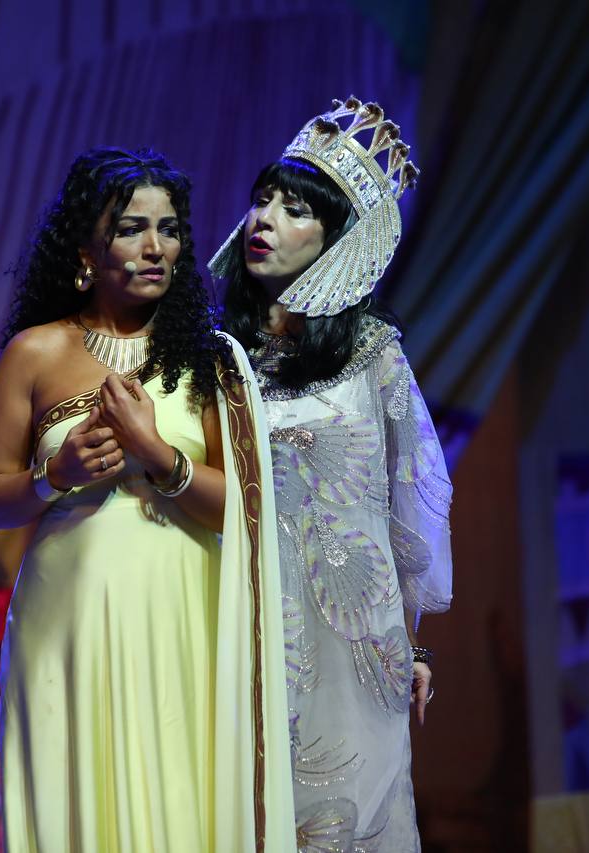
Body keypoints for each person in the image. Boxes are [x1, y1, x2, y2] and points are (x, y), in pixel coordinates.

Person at [0, 148, 294, 852]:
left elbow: (247, 509)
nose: (156, 247)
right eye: (131, 229)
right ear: (86, 252)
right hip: (68, 618)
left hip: (180, 611)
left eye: (169, 229)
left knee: (177, 797)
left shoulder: (212, 360)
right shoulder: (34, 354)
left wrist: (159, 456)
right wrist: (54, 475)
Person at [212, 98, 453, 851]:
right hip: (248, 622)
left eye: (295, 210)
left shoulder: (373, 353)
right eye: (262, 200)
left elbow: (414, 500)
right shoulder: (216, 356)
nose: (264, 219)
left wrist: (411, 643)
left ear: (337, 240)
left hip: (358, 641)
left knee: (353, 818)